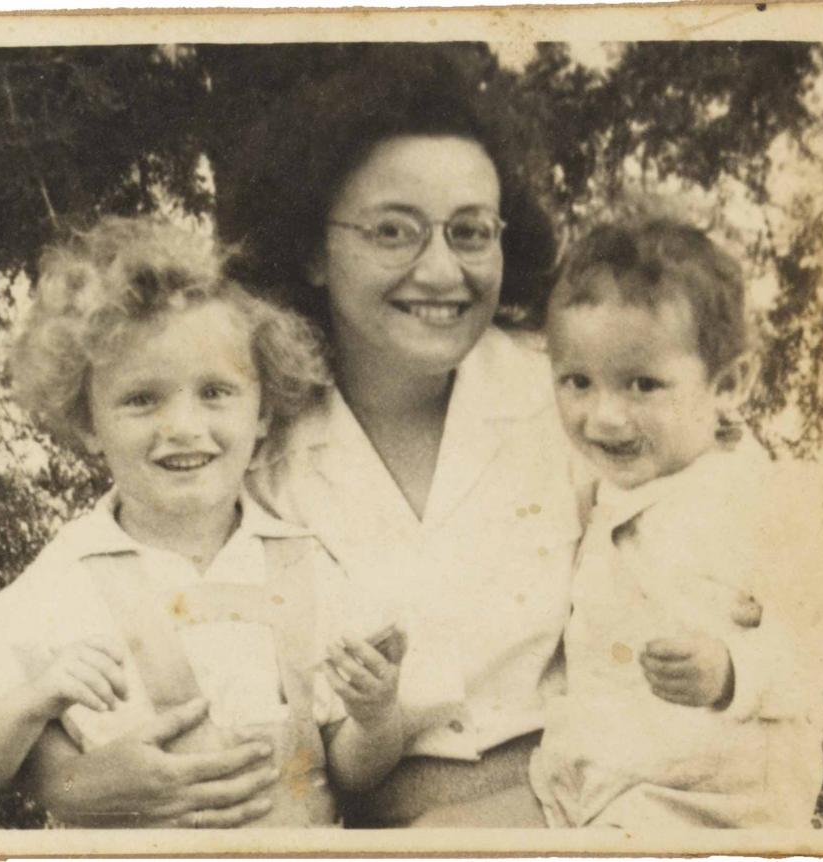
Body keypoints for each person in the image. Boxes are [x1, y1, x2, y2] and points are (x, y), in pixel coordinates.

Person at [0, 217, 408, 827]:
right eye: (141, 399)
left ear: (263, 411)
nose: (183, 425)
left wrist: (376, 716)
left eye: (215, 392)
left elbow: (351, 771)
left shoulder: (306, 564)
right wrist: (35, 700)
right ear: (86, 424)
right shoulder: (62, 580)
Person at [221, 48, 583, 826]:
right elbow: (125, 577)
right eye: (395, 231)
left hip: (583, 816)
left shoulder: (568, 397)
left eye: (471, 231)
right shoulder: (251, 444)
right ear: (313, 250)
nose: (442, 270)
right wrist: (65, 769)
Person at [525, 218, 823, 828]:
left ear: (731, 384)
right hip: (611, 783)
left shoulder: (745, 495)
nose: (605, 418)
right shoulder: (607, 487)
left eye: (643, 385)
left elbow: (813, 638)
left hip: (714, 798)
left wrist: (731, 671)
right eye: (578, 382)